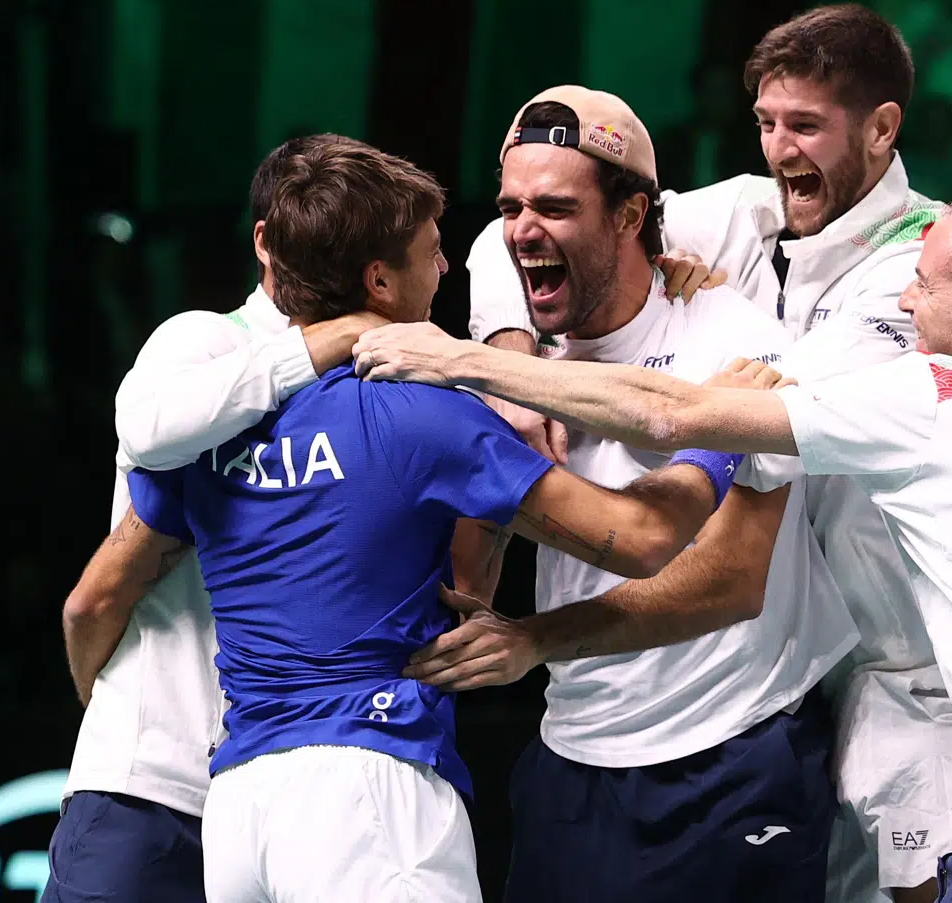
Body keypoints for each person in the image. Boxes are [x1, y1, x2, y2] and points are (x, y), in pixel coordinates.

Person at [354, 181, 952, 902]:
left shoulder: (932, 398)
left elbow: (667, 412)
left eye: (923, 282)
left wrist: (461, 359)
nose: (904, 298)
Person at [98, 135, 745, 902]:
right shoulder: (424, 414)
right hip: (368, 794)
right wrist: (721, 429)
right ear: (379, 279)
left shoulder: (206, 425)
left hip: (239, 810)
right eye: (432, 252)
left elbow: (95, 592)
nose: (444, 270)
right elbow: (640, 541)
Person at [465, 4, 952, 903]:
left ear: (884, 128)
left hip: (901, 667)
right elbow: (526, 230)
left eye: (807, 126)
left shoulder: (925, 266)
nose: (781, 150)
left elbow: (730, 410)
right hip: (777, 664)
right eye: (767, 122)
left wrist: (678, 320)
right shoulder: (744, 212)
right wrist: (508, 364)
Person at [412, 85, 855, 903]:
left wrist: (535, 639)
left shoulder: (734, 341)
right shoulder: (521, 364)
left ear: (628, 216)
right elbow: (474, 566)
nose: (523, 230)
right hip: (573, 752)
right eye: (512, 207)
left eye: (553, 207)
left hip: (729, 755)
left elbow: (736, 578)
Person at [45, 134, 389, 903]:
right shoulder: (202, 340)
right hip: (152, 792)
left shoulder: (385, 386)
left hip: (295, 804)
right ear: (264, 240)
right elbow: (145, 428)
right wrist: (322, 341)